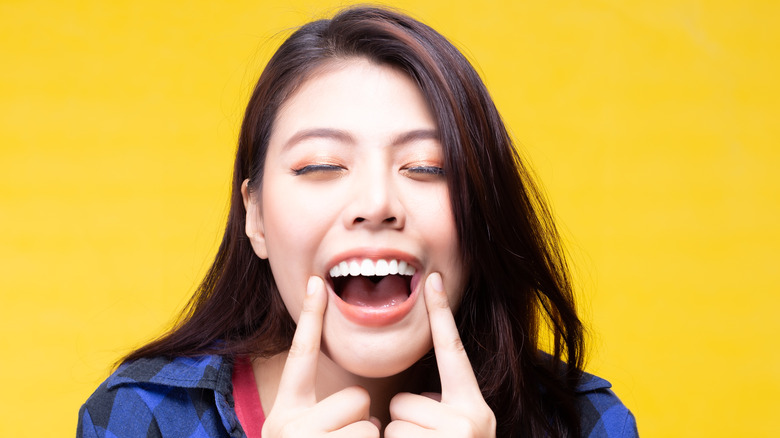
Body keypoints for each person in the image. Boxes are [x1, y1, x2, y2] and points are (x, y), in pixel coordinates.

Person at [78, 6, 638, 437]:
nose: (376, 202)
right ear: (256, 219)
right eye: (321, 165)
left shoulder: (585, 423)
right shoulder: (141, 418)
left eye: (427, 167)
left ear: (481, 215)